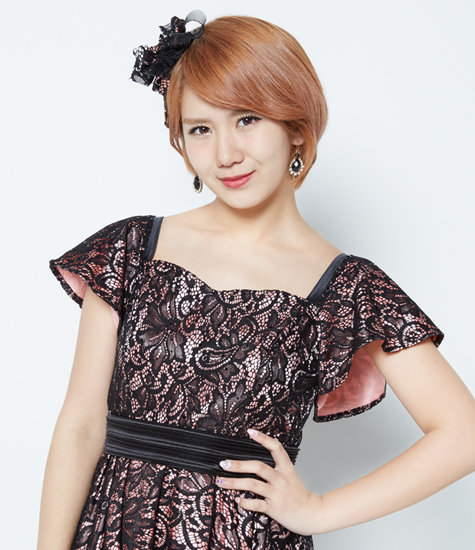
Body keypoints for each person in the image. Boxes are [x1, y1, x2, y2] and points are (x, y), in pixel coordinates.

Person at [37, 9, 475, 550]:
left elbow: (462, 434)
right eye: (200, 129)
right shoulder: (131, 250)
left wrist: (319, 510)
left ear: (296, 127)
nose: (226, 154)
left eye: (247, 119)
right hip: (113, 532)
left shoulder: (346, 288)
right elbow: (81, 425)